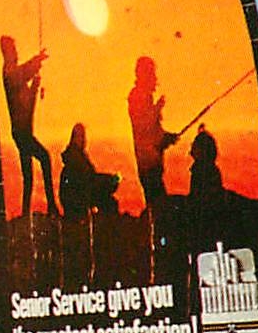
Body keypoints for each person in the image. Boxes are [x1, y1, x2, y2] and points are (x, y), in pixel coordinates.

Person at [0, 35, 56, 217]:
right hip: (22, 131)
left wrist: (34, 87)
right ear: (7, 52)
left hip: (23, 130)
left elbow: (28, 102)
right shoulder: (9, 72)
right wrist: (37, 61)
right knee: (44, 158)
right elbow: (23, 74)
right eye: (13, 49)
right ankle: (52, 206)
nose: (16, 53)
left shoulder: (14, 73)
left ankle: (26, 212)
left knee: (28, 175)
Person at [127, 55, 178, 212]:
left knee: (156, 205)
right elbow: (144, 126)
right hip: (148, 164)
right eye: (151, 72)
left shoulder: (145, 97)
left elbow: (153, 130)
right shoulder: (137, 96)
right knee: (157, 206)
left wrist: (166, 137)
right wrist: (158, 108)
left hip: (152, 162)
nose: (154, 77)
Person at [58, 122, 121, 218]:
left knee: (109, 200)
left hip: (82, 194)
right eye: (80, 136)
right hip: (78, 198)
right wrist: (109, 180)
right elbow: (88, 180)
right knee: (109, 202)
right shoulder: (74, 158)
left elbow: (91, 178)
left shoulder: (80, 157)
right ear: (73, 138)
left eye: (83, 136)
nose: (82, 139)